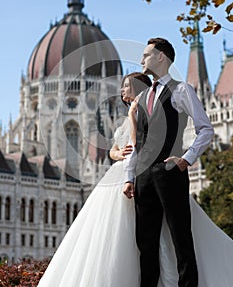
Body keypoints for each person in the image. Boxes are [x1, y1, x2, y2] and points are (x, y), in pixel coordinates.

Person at [37, 72, 151, 287]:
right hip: (114, 171)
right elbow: (115, 151)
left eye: (126, 86)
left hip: (129, 174)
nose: (122, 90)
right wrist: (117, 154)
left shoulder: (141, 114)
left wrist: (133, 121)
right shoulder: (125, 116)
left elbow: (136, 146)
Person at [123, 37, 214, 287]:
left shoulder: (181, 89)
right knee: (146, 243)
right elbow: (137, 142)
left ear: (161, 57)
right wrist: (129, 177)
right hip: (143, 178)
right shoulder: (141, 99)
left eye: (146, 55)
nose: (141, 60)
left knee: (181, 239)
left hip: (170, 172)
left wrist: (186, 160)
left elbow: (206, 129)